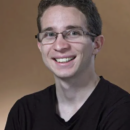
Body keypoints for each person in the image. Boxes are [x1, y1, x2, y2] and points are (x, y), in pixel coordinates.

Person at [5, 0, 130, 130]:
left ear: (97, 44)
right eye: (50, 34)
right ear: (40, 46)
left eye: (73, 33)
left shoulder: (122, 110)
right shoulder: (23, 112)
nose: (60, 46)